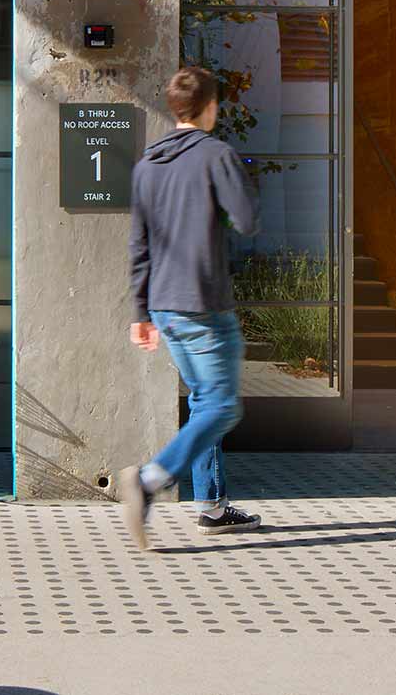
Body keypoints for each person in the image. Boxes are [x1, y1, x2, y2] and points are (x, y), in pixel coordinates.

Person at [117, 64, 262, 550]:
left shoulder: (147, 165)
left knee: (204, 403)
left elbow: (138, 245)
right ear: (210, 108)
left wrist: (140, 312)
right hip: (203, 303)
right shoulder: (216, 155)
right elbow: (246, 220)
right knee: (221, 405)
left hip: (163, 307)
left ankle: (214, 508)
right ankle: (148, 481)